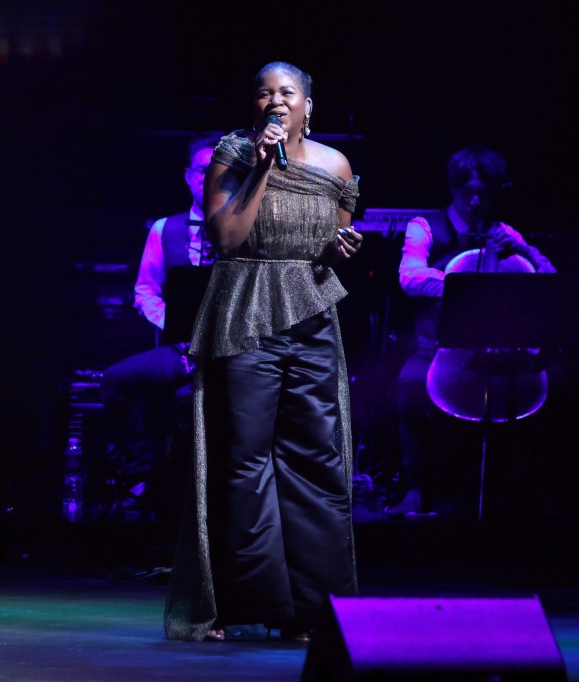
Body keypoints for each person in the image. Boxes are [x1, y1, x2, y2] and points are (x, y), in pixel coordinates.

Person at [164, 61, 363, 642]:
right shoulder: (233, 154)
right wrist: (262, 167)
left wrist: (340, 249)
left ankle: (314, 609)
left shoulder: (335, 165)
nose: (274, 100)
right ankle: (249, 602)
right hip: (245, 311)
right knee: (244, 459)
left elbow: (330, 245)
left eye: (287, 92)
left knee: (317, 460)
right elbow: (227, 238)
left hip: (311, 316)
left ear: (308, 104)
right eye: (263, 93)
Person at [389, 146, 554, 516]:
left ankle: (527, 491)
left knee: (553, 383)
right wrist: (462, 282)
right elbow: (409, 277)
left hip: (501, 349)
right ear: (453, 187)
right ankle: (416, 488)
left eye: (486, 193)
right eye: (469, 193)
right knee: (409, 384)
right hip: (439, 347)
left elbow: (548, 278)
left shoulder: (504, 232)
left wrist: (525, 250)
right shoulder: (424, 226)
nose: (477, 201)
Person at [97, 132, 221, 519]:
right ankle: (142, 475)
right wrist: (176, 327)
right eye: (202, 170)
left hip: (232, 353)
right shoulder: (165, 229)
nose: (209, 178)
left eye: (219, 170)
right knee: (115, 382)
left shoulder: (247, 229)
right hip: (182, 350)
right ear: (188, 176)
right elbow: (145, 290)